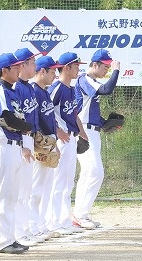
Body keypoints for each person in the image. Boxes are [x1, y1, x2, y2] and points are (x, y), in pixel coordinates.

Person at [0, 52, 32, 254]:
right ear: (4, 70)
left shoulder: (12, 91)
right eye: (15, 67)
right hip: (3, 146)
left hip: (14, 146)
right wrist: (27, 127)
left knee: (12, 196)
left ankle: (10, 237)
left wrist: (23, 132)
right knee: (4, 197)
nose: (19, 69)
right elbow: (6, 118)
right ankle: (2, 241)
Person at [73, 49, 121, 229]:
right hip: (83, 131)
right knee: (93, 172)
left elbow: (90, 111)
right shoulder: (85, 79)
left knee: (91, 173)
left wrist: (105, 123)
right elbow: (107, 89)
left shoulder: (91, 82)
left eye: (109, 67)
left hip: (93, 131)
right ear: (94, 64)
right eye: (105, 67)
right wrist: (116, 70)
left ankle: (81, 214)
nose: (107, 70)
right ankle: (80, 215)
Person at [47, 52, 88, 235]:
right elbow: (45, 112)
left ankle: (64, 220)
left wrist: (83, 135)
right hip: (61, 139)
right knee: (58, 182)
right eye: (76, 66)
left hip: (70, 138)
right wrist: (57, 131)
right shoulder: (56, 88)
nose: (78, 69)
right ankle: (53, 222)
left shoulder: (71, 89)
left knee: (68, 182)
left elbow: (74, 115)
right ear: (66, 68)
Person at [13, 47, 43, 247]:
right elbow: (17, 119)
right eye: (32, 63)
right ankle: (19, 232)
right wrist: (24, 143)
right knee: (21, 190)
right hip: (21, 140)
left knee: (27, 189)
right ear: (22, 65)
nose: (35, 66)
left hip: (30, 139)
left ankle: (25, 229)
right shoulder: (16, 88)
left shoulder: (30, 87)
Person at [30, 55, 63, 239]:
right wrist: (40, 144)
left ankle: (41, 224)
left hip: (49, 142)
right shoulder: (34, 91)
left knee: (45, 187)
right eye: (52, 71)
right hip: (40, 144)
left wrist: (54, 143)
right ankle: (32, 226)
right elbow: (35, 121)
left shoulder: (44, 91)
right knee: (35, 188)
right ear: (42, 71)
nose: (55, 75)